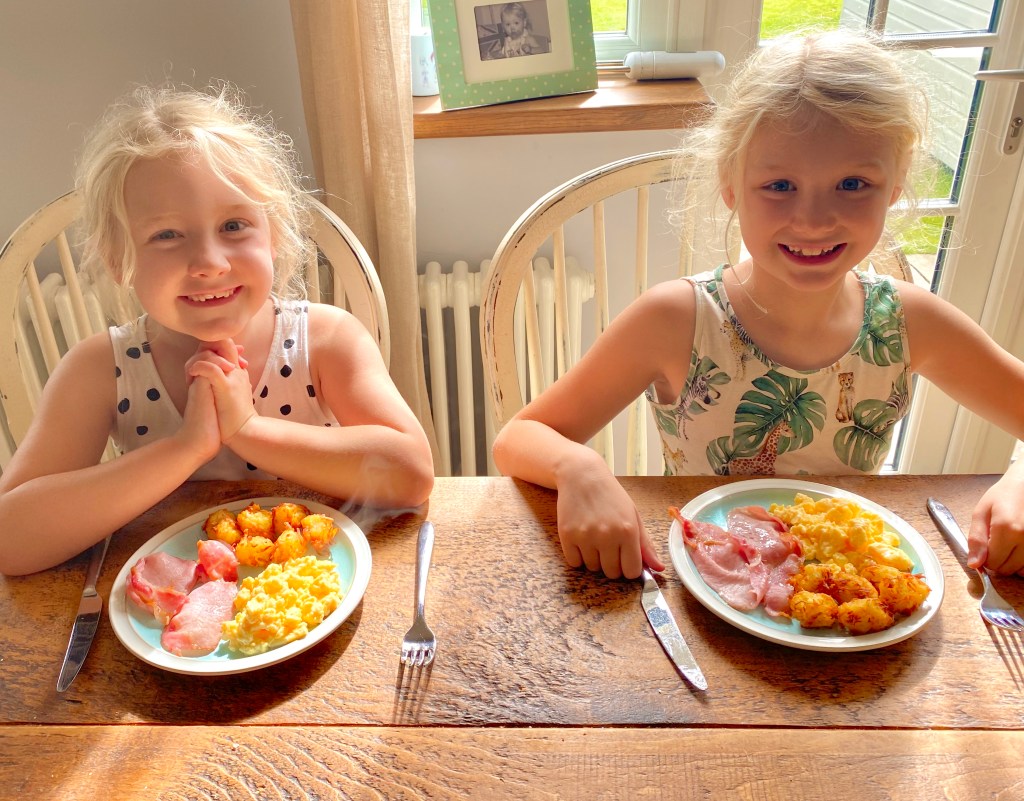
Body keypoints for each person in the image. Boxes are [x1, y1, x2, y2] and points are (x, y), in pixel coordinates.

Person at [492, 30, 1024, 581]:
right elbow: (517, 440)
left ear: (895, 185)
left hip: (846, 600)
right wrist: (579, 467)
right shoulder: (675, 320)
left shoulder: (912, 322)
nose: (813, 220)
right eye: (779, 186)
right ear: (731, 184)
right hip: (707, 590)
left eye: (852, 183)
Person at [0, 85, 434, 575]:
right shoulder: (100, 369)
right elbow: (11, 540)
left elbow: (412, 475)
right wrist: (186, 448)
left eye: (233, 226)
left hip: (318, 582)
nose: (209, 262)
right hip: (171, 604)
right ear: (119, 260)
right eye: (166, 234)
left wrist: (250, 430)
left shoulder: (327, 339)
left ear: (273, 236)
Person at [486, 3, 550, 60]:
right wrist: (493, 56)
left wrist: (531, 49)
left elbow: (542, 51)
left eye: (516, 23)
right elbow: (503, 54)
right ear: (503, 27)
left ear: (524, 23)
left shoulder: (527, 39)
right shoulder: (507, 41)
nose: (512, 28)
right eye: (508, 24)